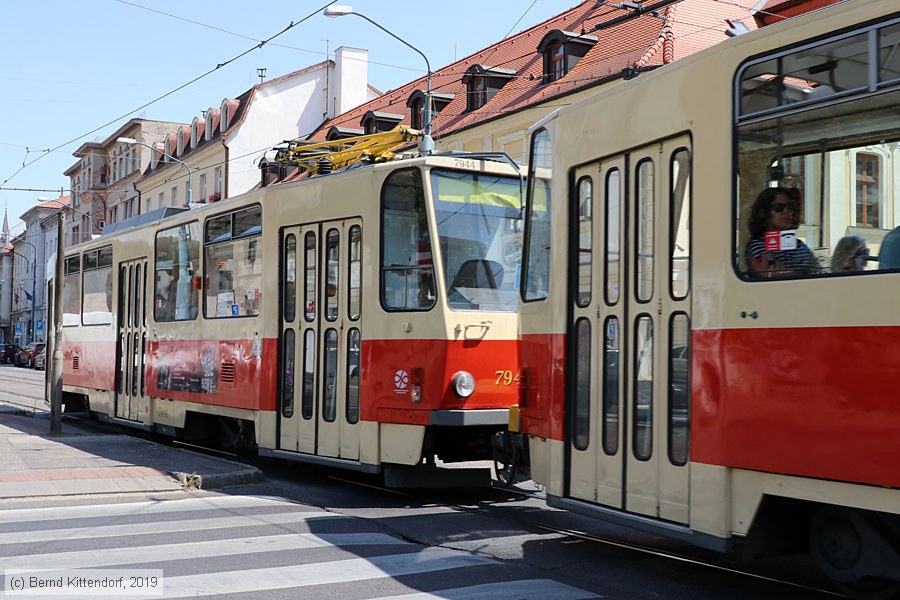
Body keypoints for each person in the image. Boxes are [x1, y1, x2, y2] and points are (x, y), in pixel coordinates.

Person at [746, 187, 819, 277]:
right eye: (778, 208)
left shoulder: (799, 245)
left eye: (790, 207)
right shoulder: (757, 245)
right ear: (763, 212)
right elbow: (772, 274)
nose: (786, 211)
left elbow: (817, 272)